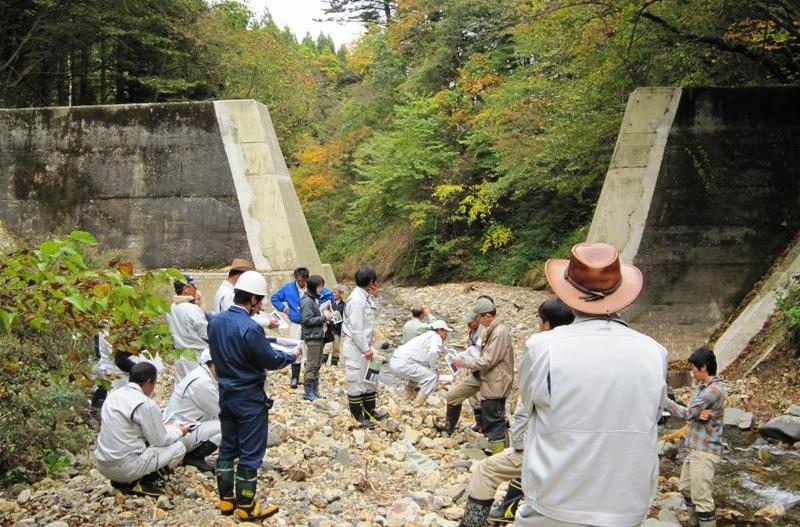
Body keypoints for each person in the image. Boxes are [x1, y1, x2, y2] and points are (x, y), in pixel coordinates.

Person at [515, 242, 667, 527]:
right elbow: (655, 416)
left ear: (567, 294)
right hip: (627, 507)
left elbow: (527, 403)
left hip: (554, 504)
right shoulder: (654, 352)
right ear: (623, 295)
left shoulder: (543, 348)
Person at [459, 298, 574, 527]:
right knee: (496, 425)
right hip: (576, 443)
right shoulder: (583, 349)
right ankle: (507, 504)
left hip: (546, 438)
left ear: (546, 324)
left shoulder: (538, 347)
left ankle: (485, 517)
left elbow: (525, 406)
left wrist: (520, 443)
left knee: (494, 445)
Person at [209, 270, 300, 520]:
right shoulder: (250, 328)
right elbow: (268, 359)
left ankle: (226, 501)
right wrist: (290, 356)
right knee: (250, 453)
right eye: (259, 301)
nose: (260, 306)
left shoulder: (215, 322)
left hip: (226, 393)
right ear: (250, 299)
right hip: (249, 397)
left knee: (227, 447)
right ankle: (247, 508)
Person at [95, 362, 190, 497]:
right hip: (125, 467)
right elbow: (161, 440)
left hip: (103, 464)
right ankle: (141, 483)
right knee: (179, 448)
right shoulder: (145, 403)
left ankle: (121, 482)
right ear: (149, 381)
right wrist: (180, 430)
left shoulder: (113, 395)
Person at [435, 297, 514, 454]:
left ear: (487, 316)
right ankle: (449, 428)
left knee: (494, 419)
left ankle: (499, 456)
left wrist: (464, 362)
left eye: (478, 317)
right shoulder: (489, 329)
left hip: (495, 379)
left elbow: (489, 360)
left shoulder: (499, 332)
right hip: (482, 375)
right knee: (453, 396)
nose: (477, 320)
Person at [664, 347, 725, 527]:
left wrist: (665, 401)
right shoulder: (701, 388)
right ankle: (694, 523)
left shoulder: (713, 390)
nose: (691, 371)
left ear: (704, 367)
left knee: (702, 498)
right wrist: (696, 414)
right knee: (686, 487)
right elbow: (694, 412)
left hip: (706, 450)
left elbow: (688, 413)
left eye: (693, 368)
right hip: (695, 448)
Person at [342, 265, 389, 428]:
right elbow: (355, 329)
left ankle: (371, 410)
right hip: (355, 346)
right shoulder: (355, 299)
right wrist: (365, 349)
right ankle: (357, 416)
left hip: (364, 344)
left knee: (370, 379)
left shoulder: (366, 296)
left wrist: (376, 297)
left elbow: (374, 315)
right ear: (371, 281)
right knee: (355, 380)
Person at [163, 349, 221, 474]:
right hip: (180, 434)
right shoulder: (203, 383)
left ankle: (191, 454)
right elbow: (223, 411)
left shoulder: (200, 374)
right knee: (229, 426)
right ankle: (194, 457)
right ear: (215, 364)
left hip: (178, 427)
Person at [389, 320, 454, 406]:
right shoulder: (436, 337)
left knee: (415, 379)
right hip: (403, 363)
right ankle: (417, 405)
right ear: (440, 330)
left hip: (396, 361)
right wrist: (435, 370)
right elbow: (433, 353)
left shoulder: (426, 336)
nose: (446, 335)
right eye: (446, 332)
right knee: (431, 377)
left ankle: (403, 403)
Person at [271, 267, 310, 388]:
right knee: (295, 349)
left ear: (307, 279)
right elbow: (274, 298)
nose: (301, 283)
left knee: (309, 351)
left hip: (310, 324)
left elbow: (326, 294)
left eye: (303, 281)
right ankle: (295, 378)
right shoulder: (288, 288)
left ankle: (310, 378)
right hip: (296, 324)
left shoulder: (312, 287)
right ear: (296, 279)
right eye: (299, 281)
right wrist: (284, 309)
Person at [167, 273, 208, 382]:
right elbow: (206, 333)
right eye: (194, 287)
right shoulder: (192, 309)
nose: (195, 290)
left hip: (180, 356)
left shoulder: (172, 307)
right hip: (196, 356)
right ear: (186, 288)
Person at [300, 275, 333, 401]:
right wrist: (324, 318)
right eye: (319, 286)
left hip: (318, 335)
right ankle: (308, 393)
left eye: (322, 286)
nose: (321, 289)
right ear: (313, 286)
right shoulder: (307, 301)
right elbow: (306, 320)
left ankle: (315, 391)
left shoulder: (314, 298)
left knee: (317, 364)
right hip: (313, 336)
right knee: (312, 365)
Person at [323, 284, 346, 366]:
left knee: (336, 348)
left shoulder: (344, 305)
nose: (334, 294)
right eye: (333, 293)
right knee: (326, 347)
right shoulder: (330, 303)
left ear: (341, 293)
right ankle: (322, 365)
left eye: (336, 293)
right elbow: (323, 310)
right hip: (329, 328)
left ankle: (334, 365)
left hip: (338, 329)